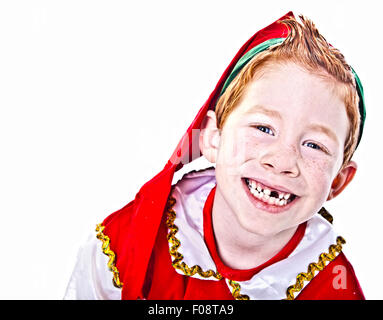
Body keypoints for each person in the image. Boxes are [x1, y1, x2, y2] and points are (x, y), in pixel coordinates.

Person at [64, 11, 366, 300]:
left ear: (339, 181)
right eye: (263, 127)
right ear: (212, 138)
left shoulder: (332, 285)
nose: (282, 162)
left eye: (314, 145)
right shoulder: (132, 239)